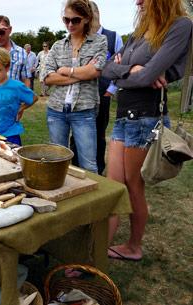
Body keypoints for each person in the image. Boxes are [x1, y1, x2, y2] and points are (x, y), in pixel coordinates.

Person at [102, 0, 192, 261]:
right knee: (112, 186)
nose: (138, 2)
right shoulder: (141, 31)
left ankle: (133, 246)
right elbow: (108, 68)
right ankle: (98, 249)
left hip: (146, 117)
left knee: (133, 187)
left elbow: (145, 76)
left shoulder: (180, 26)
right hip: (123, 117)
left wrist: (130, 73)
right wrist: (131, 69)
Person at [43, 0, 107, 173]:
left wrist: (65, 70)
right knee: (58, 161)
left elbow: (95, 71)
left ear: (86, 19)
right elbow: (46, 77)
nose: (70, 24)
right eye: (66, 20)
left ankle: (92, 199)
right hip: (56, 110)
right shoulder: (57, 45)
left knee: (88, 164)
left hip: (84, 110)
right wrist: (80, 74)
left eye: (75, 20)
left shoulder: (99, 41)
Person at [71, 0, 124, 175]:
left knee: (98, 132)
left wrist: (111, 90)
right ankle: (74, 165)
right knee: (77, 131)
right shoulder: (78, 37)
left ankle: (98, 169)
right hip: (79, 93)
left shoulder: (113, 37)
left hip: (103, 94)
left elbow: (121, 65)